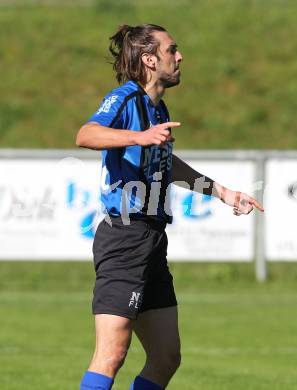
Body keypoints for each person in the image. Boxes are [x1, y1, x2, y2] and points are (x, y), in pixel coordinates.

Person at [76, 24, 264, 390]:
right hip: (124, 238)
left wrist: (221, 192)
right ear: (149, 59)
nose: (179, 57)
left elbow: (168, 163)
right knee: (112, 353)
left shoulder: (158, 109)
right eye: (171, 50)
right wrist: (139, 136)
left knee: (165, 357)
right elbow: (86, 134)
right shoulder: (126, 99)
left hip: (152, 239)